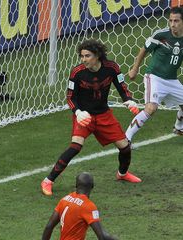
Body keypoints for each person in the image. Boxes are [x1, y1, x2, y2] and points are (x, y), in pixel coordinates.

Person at [41, 39, 141, 197]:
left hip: (103, 115)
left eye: (87, 56)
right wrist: (78, 112)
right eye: (82, 56)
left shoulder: (112, 68)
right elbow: (70, 97)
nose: (83, 59)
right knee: (75, 147)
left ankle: (122, 174)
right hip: (84, 116)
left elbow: (122, 87)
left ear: (97, 55)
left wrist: (128, 100)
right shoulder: (77, 72)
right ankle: (48, 180)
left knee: (125, 147)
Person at [126, 6, 183, 142]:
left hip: (172, 80)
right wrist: (135, 69)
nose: (172, 24)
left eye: (176, 21)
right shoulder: (161, 35)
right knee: (151, 108)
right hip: (155, 77)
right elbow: (144, 50)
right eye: (170, 21)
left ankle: (179, 127)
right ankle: (126, 138)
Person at [41, 172, 118, 240]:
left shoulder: (64, 199)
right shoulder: (88, 206)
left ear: (76, 185)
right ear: (92, 186)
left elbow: (49, 226)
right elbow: (102, 236)